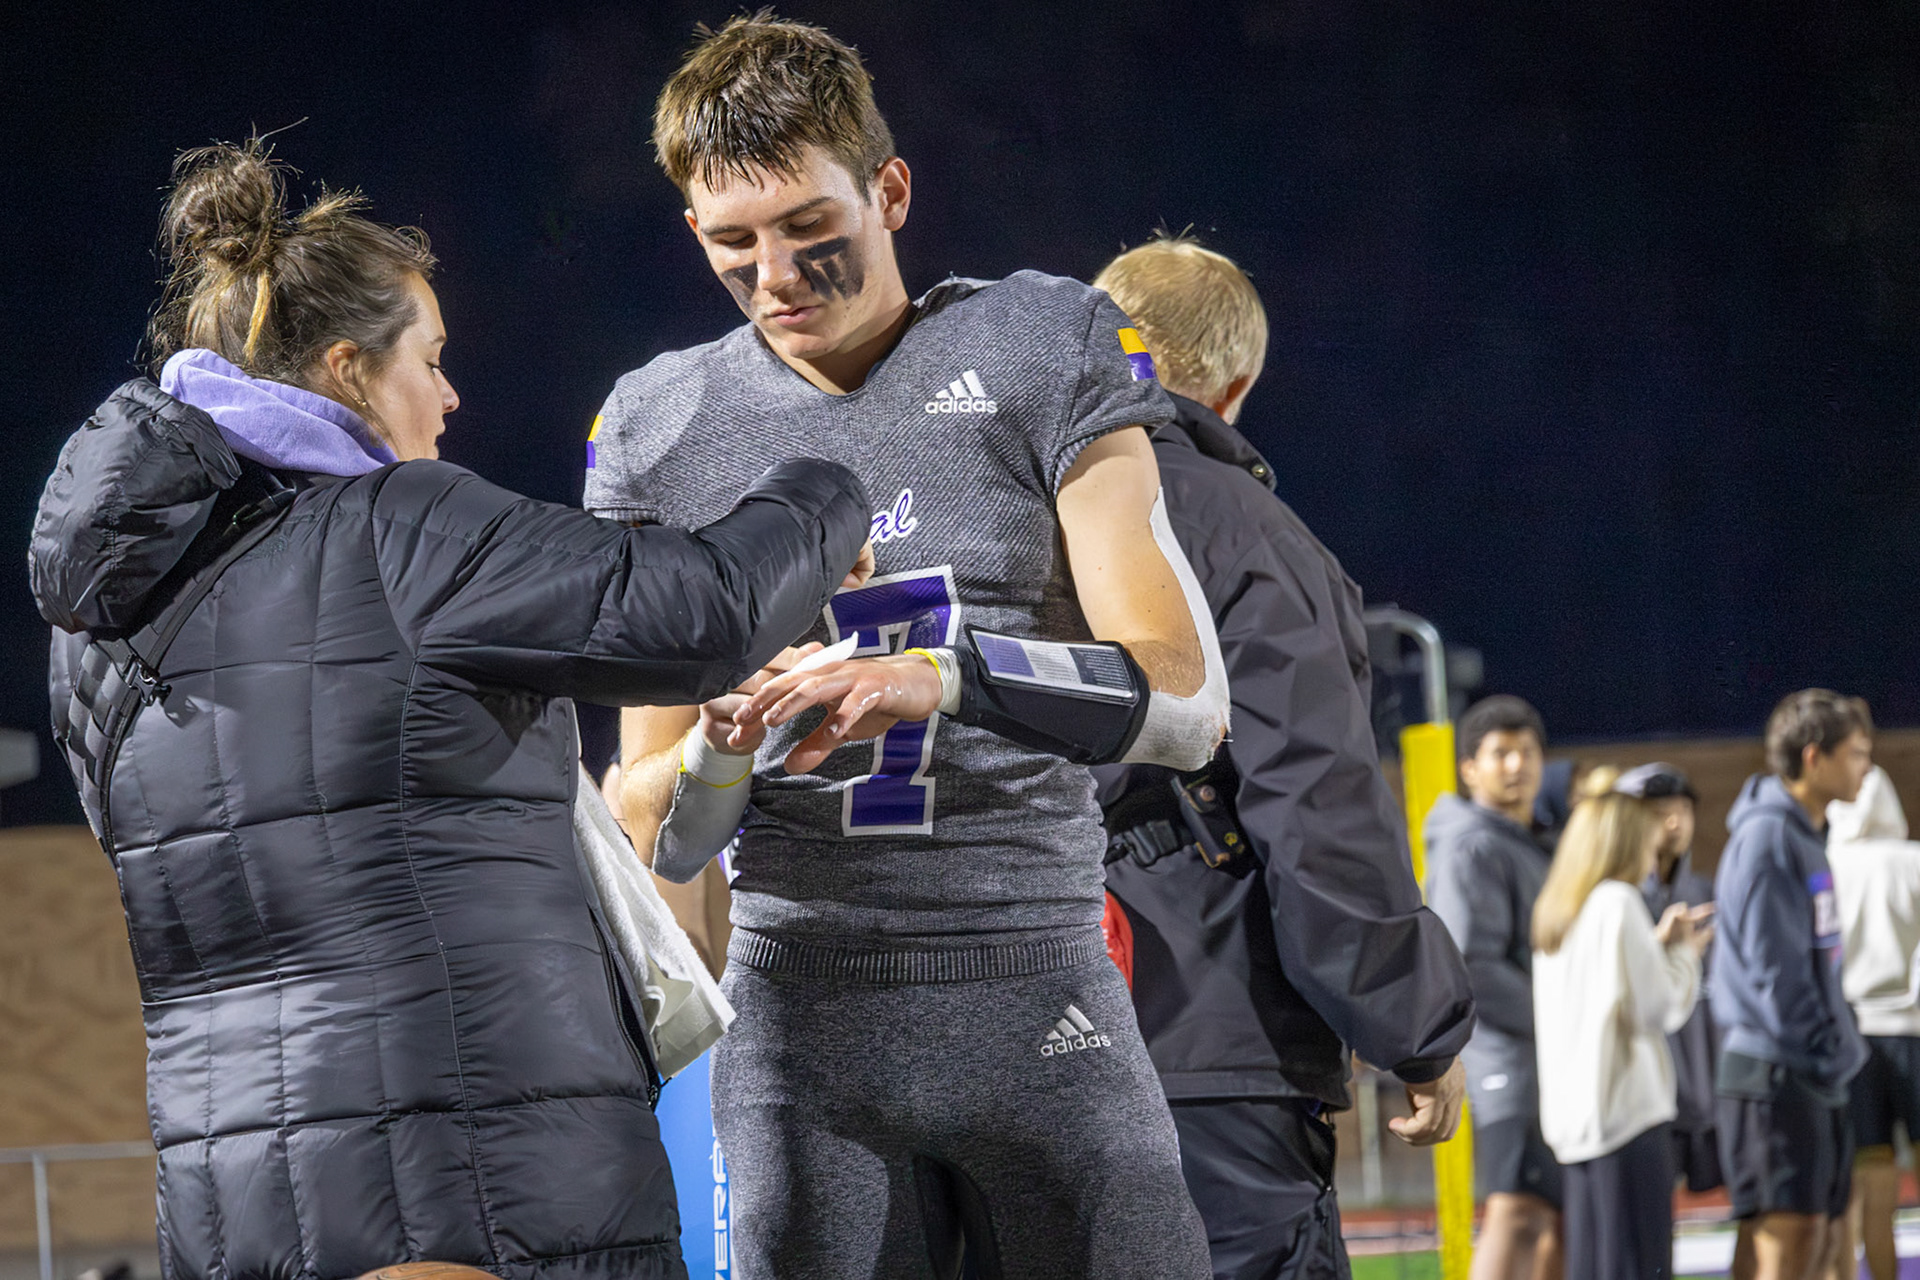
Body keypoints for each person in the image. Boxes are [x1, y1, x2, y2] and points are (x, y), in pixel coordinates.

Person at [29, 140, 873, 1280]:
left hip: (231, 1207)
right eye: (430, 357)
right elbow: (701, 610)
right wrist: (823, 485)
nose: (450, 392)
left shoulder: (95, 628)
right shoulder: (400, 529)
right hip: (474, 1186)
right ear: (345, 369)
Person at [585, 15, 1227, 1277]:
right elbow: (652, 817)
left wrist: (937, 677)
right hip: (798, 1016)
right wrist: (735, 741)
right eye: (733, 242)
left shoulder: (1049, 344)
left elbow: (1187, 696)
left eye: (807, 227)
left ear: (890, 190)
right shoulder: (657, 425)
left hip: (1038, 977)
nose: (774, 275)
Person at [1086, 235, 1476, 1279]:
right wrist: (1414, 1024)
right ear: (1236, 384)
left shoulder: (989, 516)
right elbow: (1314, 804)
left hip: (994, 1028)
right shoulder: (1244, 532)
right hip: (1206, 1032)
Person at [1713, 690, 1873, 1280]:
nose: (1866, 767)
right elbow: (1776, 975)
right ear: (1814, 757)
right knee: (1785, 1241)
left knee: (1823, 1236)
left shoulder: (1804, 835)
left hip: (1806, 1069)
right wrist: (1832, 1049)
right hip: (1776, 1071)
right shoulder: (1766, 839)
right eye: (1856, 754)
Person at [1532, 771, 1712, 1280]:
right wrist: (1683, 957)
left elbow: (1605, 993)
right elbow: (1655, 1010)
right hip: (1628, 1122)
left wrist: (1655, 948)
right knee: (1639, 1265)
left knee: (1595, 1266)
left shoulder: (1559, 910)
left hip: (1578, 1127)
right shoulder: (1617, 902)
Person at [1424, 695, 1563, 1280]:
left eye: (1527, 751)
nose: (1516, 765)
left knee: (1556, 1215)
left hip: (1545, 1058)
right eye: (1500, 753)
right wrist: (1565, 1020)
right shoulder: (1472, 844)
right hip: (1511, 1059)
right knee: (1518, 1211)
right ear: (1469, 768)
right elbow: (1471, 964)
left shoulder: (1525, 839)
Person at [1824, 765, 1920, 1280]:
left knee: (1873, 1190)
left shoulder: (1827, 866)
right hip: (1913, 1033)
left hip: (1854, 1041)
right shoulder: (1912, 862)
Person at [1623, 762, 1724, 1194]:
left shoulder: (1706, 895)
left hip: (1708, 1089)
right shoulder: (1619, 903)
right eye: (1660, 809)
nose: (1674, 820)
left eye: (1683, 808)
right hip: (1648, 1100)